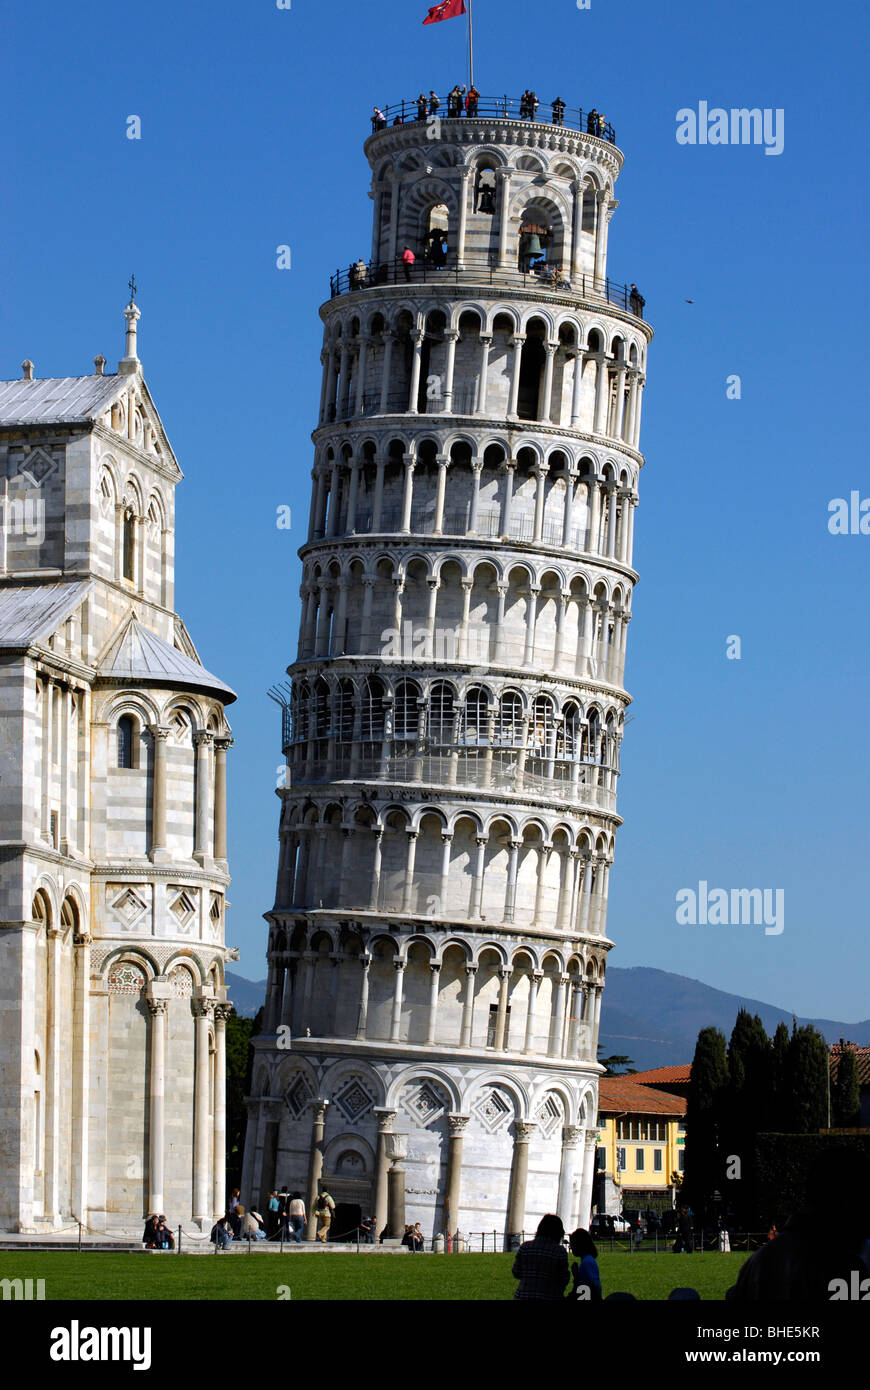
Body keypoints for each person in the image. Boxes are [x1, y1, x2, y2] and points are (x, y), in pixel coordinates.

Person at [512, 1213, 571, 1301]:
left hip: (523, 1295)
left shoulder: (525, 1247)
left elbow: (516, 1272)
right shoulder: (559, 1251)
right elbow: (563, 1279)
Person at [568, 1228, 602, 1301]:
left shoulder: (587, 1262)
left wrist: (576, 1276)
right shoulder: (587, 1260)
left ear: (579, 1244)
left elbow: (592, 1285)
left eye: (572, 1243)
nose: (570, 1247)